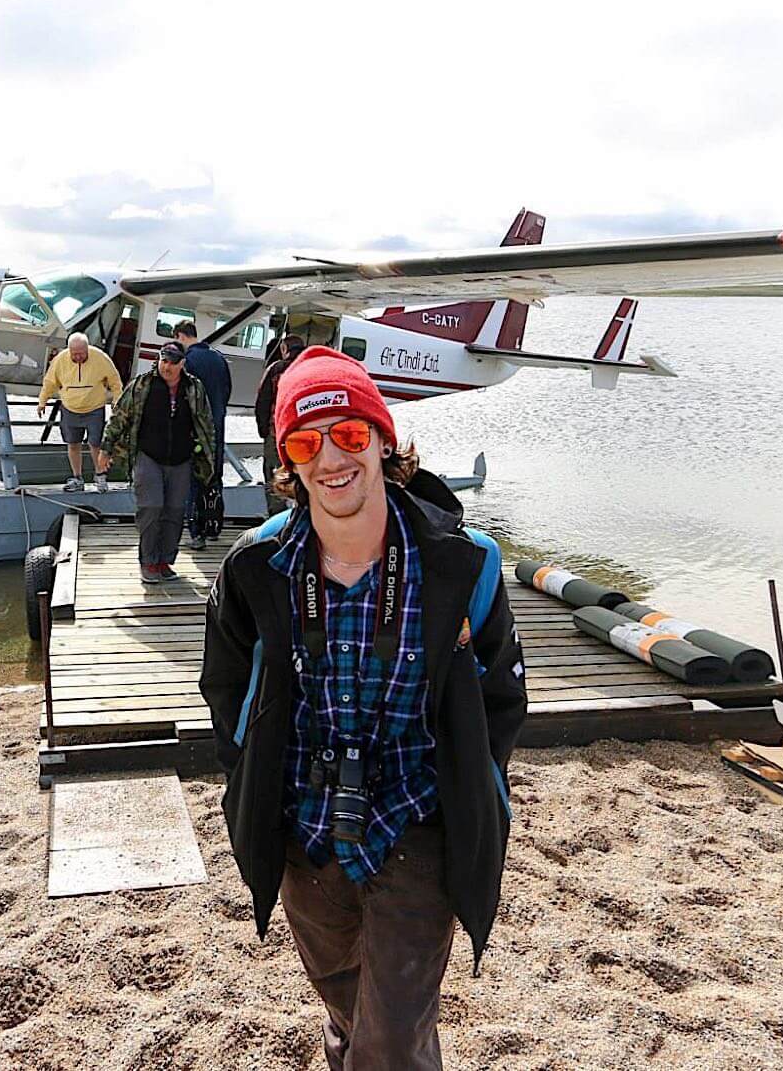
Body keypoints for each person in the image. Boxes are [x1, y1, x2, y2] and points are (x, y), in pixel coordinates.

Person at [198, 348, 527, 1070]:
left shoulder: (462, 564)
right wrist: (249, 783)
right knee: (350, 1008)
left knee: (393, 1042)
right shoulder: (257, 569)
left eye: (349, 434)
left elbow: (503, 694)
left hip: (416, 824)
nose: (331, 459)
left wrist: (475, 785)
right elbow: (224, 690)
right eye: (306, 443)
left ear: (383, 439)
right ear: (286, 461)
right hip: (303, 833)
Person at [103, 341, 215, 583]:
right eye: (164, 361)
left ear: (182, 364)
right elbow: (120, 416)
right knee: (151, 508)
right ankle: (148, 561)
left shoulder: (194, 388)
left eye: (173, 362)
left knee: (175, 511)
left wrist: (208, 458)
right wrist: (106, 448)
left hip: (181, 459)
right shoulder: (142, 384)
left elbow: (206, 425)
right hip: (148, 456)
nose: (167, 366)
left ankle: (165, 561)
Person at [172, 320, 232, 550]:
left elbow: (183, 395)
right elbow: (227, 392)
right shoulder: (219, 358)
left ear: (179, 336)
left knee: (194, 479)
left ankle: (196, 533)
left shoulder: (188, 361)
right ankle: (214, 525)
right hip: (218, 427)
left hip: (196, 429)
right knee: (215, 477)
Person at [37, 332, 121, 492]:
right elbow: (49, 382)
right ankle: (77, 478)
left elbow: (115, 381)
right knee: (73, 444)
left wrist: (117, 402)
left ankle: (100, 476)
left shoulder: (100, 358)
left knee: (96, 444)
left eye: (81, 353)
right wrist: (42, 401)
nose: (78, 357)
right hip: (70, 408)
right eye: (74, 354)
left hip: (94, 408)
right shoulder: (61, 360)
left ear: (87, 349)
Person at [252, 334, 305, 515]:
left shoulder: (275, 369)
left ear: (284, 349)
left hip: (276, 434)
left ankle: (276, 517)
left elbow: (262, 402)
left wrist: (263, 430)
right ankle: (301, 513)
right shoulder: (307, 369)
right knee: (302, 474)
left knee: (273, 474)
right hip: (303, 437)